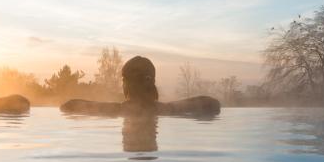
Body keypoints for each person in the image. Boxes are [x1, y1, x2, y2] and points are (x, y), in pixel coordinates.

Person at [60, 56, 220, 117]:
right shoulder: (168, 110)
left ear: (126, 83)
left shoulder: (116, 110)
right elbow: (213, 103)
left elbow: (68, 105)